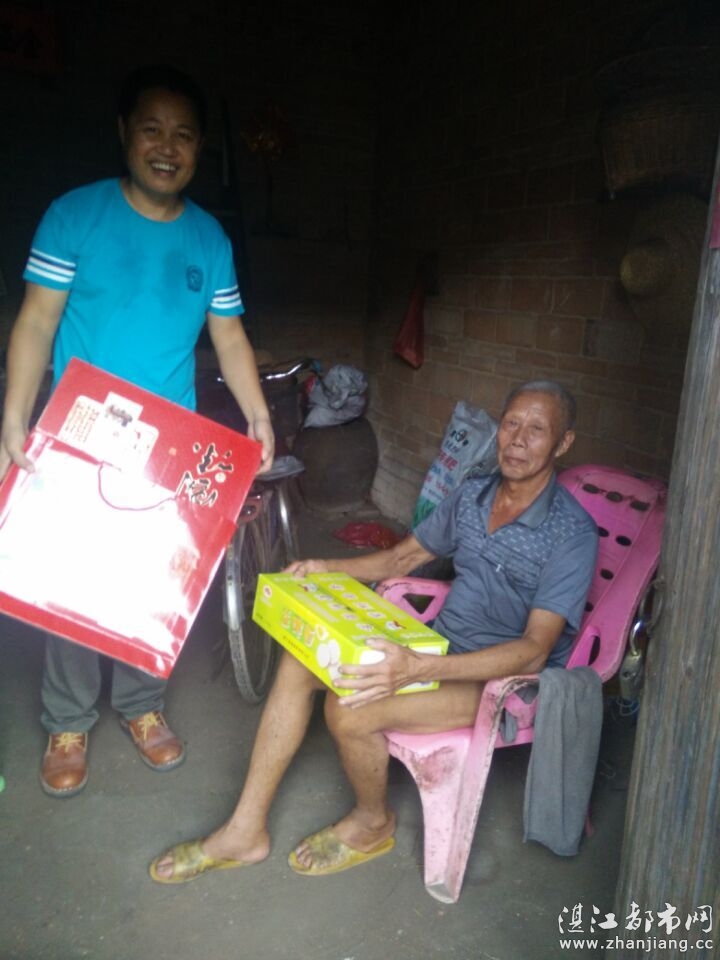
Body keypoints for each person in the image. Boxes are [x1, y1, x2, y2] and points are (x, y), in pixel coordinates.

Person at [149, 380, 597, 883]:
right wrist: (326, 566)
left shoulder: (571, 534)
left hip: (498, 682)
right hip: (438, 646)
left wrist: (418, 668)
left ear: (563, 443)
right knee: (301, 658)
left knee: (349, 708)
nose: (517, 439)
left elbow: (534, 652)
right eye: (511, 423)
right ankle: (245, 830)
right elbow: (403, 558)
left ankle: (373, 822)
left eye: (537, 430)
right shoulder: (476, 493)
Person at [0, 64, 274, 798]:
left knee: (153, 576)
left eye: (183, 135)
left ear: (199, 148)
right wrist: (14, 417)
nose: (166, 147)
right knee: (75, 576)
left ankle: (141, 706)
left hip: (168, 444)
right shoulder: (74, 216)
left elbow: (229, 334)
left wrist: (257, 413)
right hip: (82, 429)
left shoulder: (209, 239)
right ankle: (67, 721)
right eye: (151, 129)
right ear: (124, 133)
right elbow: (36, 320)